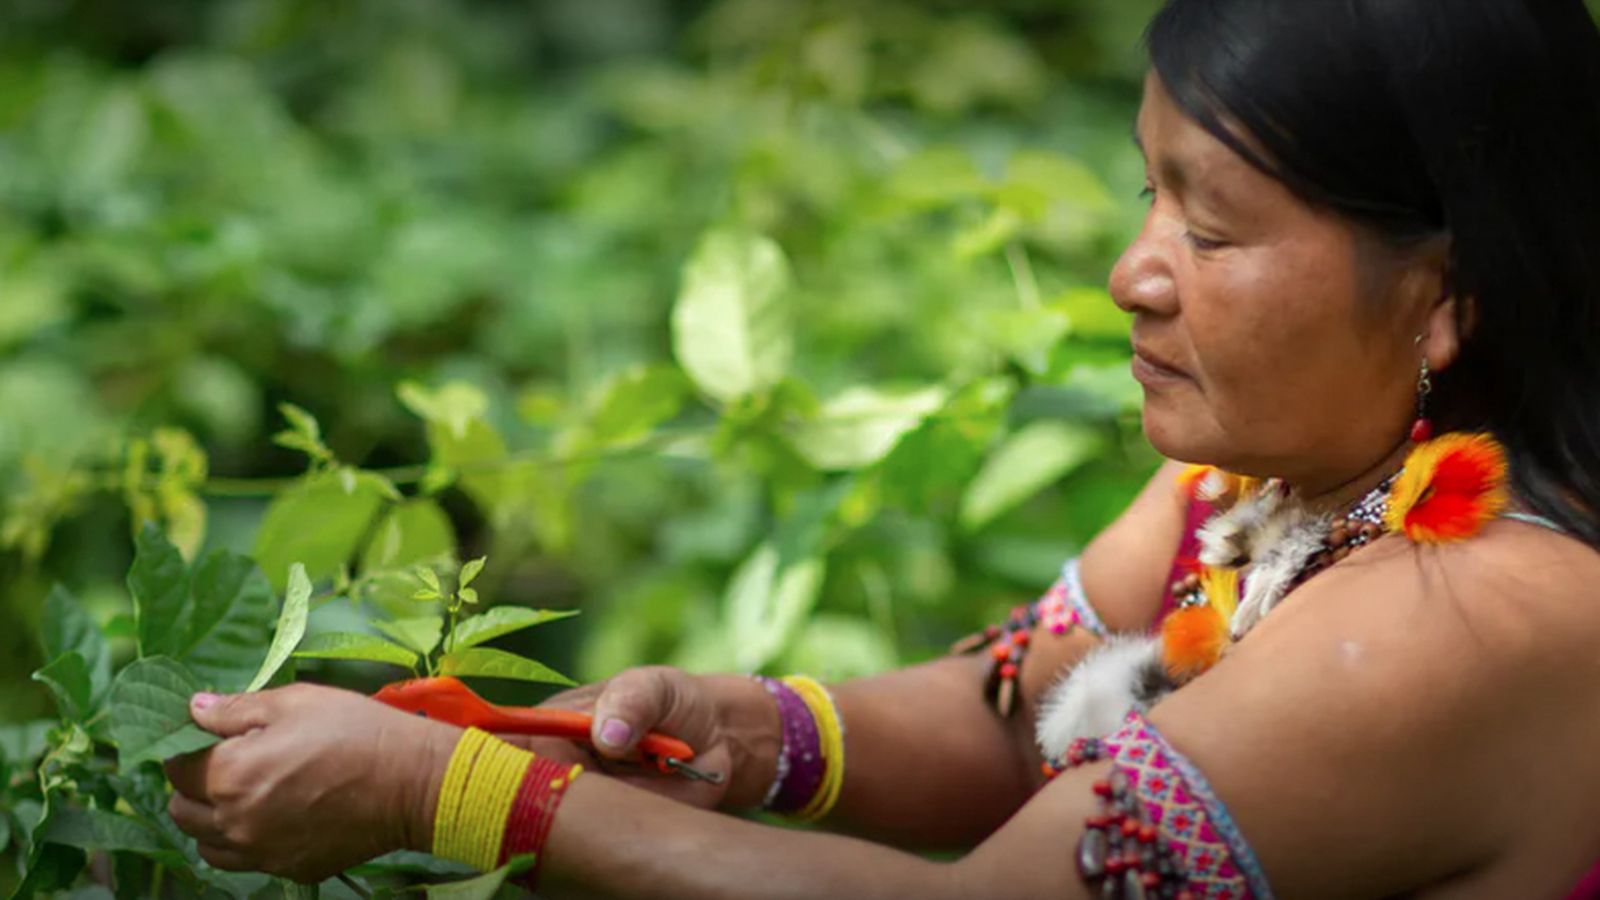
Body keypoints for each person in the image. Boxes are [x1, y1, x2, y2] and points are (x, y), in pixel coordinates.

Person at [162, 0, 1600, 896]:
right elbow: (1011, 714)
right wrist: (742, 732)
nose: (1132, 274)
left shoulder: (1456, 617)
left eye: (1211, 229)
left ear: (1445, 293)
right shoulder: (1268, 481)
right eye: (1149, 196)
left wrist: (449, 792)